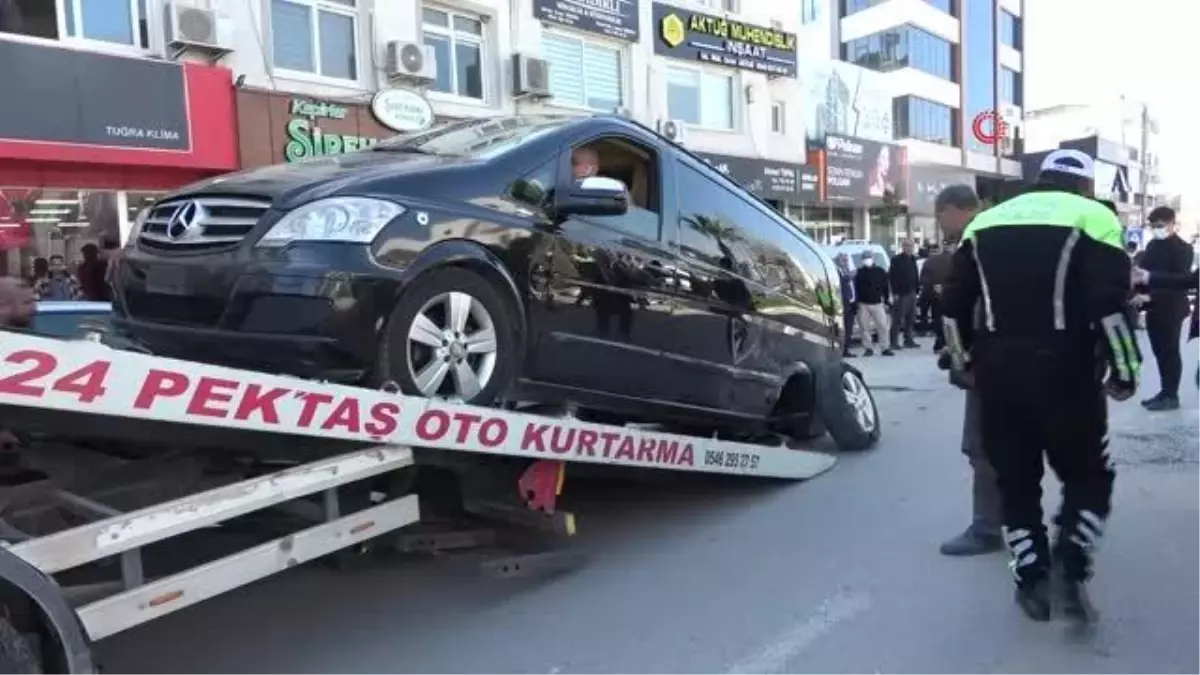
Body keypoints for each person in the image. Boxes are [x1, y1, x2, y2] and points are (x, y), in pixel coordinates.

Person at [940, 149, 1140, 623]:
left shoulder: (985, 222)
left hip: (998, 377)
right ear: (1086, 186)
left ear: (1040, 179)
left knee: (1015, 483)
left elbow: (951, 308)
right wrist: (1126, 371)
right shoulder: (1095, 217)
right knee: (1089, 475)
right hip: (1066, 374)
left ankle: (1030, 575)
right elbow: (1109, 307)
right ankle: (1071, 561)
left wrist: (963, 360)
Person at [930, 184, 1003, 557]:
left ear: (956, 210)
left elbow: (955, 307)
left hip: (989, 360)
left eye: (940, 216)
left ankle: (987, 528)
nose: (939, 224)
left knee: (982, 446)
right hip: (1032, 355)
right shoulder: (1007, 231)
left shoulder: (976, 239)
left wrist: (958, 359)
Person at [1135, 206, 1191, 411]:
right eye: (1152, 226)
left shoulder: (1183, 249)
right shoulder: (1152, 245)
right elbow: (1145, 274)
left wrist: (1151, 293)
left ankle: (1171, 395)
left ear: (1171, 224)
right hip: (1153, 307)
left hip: (1172, 307)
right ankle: (1164, 391)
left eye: (1159, 226)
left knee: (1170, 351)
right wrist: (1138, 290)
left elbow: (1181, 281)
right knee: (1159, 351)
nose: (1155, 229)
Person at [852, 252, 892, 356]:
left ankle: (885, 347)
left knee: (883, 326)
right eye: (865, 258)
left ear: (873, 259)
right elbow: (855, 289)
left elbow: (886, 287)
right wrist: (855, 303)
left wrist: (887, 301)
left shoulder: (880, 271)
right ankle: (868, 348)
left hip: (877, 303)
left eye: (869, 258)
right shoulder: (859, 273)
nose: (867, 260)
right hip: (863, 304)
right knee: (864, 328)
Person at [888, 239, 920, 349]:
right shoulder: (896, 260)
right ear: (903, 247)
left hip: (912, 292)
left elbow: (915, 274)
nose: (909, 248)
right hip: (901, 294)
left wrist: (917, 289)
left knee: (911, 318)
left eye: (911, 246)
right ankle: (893, 342)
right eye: (907, 246)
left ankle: (908, 339)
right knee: (898, 318)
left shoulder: (913, 259)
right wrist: (895, 292)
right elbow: (892, 277)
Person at [834, 253, 857, 357]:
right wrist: (849, 277)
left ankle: (846, 349)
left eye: (846, 260)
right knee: (843, 329)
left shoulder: (849, 271)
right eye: (843, 260)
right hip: (843, 303)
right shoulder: (836, 272)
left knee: (849, 328)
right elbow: (838, 284)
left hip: (851, 303)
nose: (845, 262)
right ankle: (841, 351)